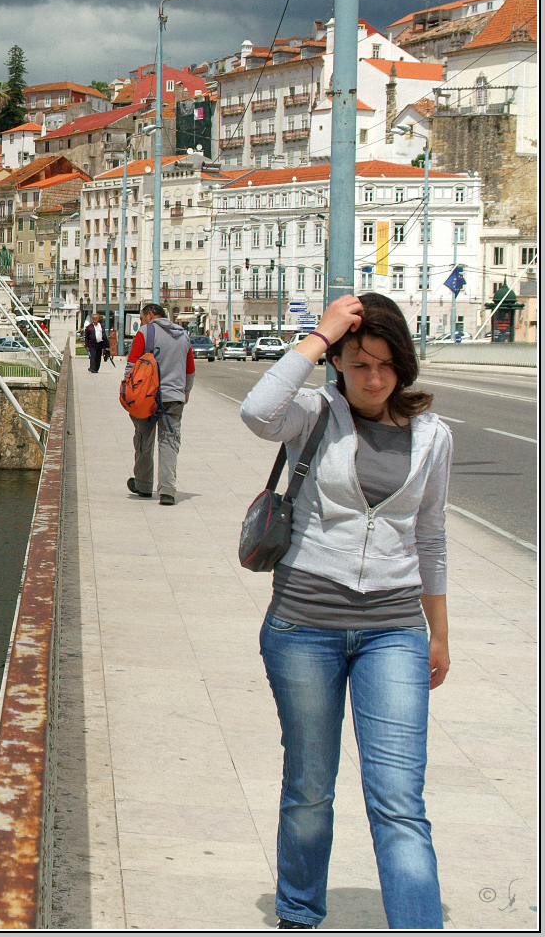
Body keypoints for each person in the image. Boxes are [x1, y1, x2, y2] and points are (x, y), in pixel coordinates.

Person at [240, 292, 450, 930]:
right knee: (309, 787)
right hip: (305, 625)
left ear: (403, 367)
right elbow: (256, 409)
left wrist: (439, 634)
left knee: (399, 800)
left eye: (386, 364)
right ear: (338, 365)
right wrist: (322, 331)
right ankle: (300, 915)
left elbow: (432, 537)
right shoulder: (312, 413)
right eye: (359, 363)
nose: (374, 378)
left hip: (395, 630)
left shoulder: (432, 436)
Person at [124, 302, 194, 505]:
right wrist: (185, 392)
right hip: (174, 397)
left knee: (144, 440)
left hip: (147, 397)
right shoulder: (183, 335)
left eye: (142, 318)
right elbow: (190, 369)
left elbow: (132, 364)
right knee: (169, 442)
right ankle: (168, 491)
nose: (141, 322)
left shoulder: (145, 332)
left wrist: (129, 391)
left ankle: (144, 485)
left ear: (151, 315)